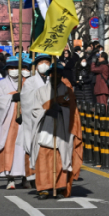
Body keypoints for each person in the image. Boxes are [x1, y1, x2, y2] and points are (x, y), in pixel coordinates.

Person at [25, 63, 82, 199]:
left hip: (62, 129)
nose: (55, 76)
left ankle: (59, 186)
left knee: (61, 157)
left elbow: (72, 109)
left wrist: (62, 109)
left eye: (58, 74)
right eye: (53, 73)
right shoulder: (40, 91)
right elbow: (34, 110)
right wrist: (47, 110)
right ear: (49, 75)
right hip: (45, 128)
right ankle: (43, 188)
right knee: (43, 157)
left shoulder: (67, 92)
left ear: (61, 76)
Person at [0, 56, 32, 189]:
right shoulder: (0, 84)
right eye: (11, 68)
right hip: (8, 121)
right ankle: (10, 178)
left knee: (26, 148)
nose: (13, 71)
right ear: (7, 70)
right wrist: (12, 97)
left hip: (26, 121)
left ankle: (26, 177)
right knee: (9, 148)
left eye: (16, 68)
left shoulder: (28, 83)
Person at [19, 53, 53, 185]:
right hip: (34, 119)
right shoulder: (30, 82)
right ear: (36, 65)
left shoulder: (53, 80)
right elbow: (27, 100)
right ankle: (30, 176)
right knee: (31, 145)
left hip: (49, 119)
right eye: (40, 62)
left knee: (47, 147)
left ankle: (46, 176)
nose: (44, 65)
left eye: (47, 62)